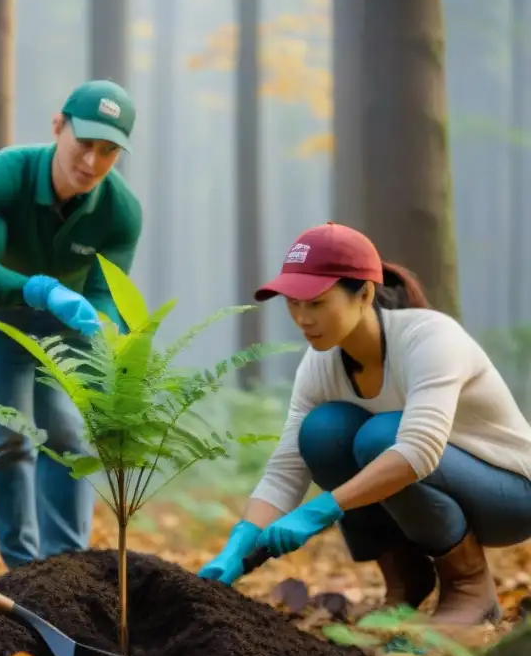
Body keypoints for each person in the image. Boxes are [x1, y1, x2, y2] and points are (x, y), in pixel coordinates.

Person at [199, 222, 531, 625]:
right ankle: (405, 580)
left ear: (365, 294)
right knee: (322, 432)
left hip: (510, 494)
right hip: (432, 497)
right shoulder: (321, 363)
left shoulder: (432, 339)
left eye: (317, 303)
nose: (302, 318)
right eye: (293, 303)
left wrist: (323, 508)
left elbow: (419, 450)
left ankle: (469, 587)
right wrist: (241, 542)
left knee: (381, 438)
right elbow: (288, 468)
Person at [0, 79, 143, 570]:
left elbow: (106, 291)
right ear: (59, 127)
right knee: (11, 433)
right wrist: (39, 289)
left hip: (66, 316)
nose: (91, 163)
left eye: (108, 152)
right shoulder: (5, 174)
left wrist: (100, 328)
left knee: (68, 433)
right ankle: (22, 570)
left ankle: (65, 570)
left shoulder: (121, 212)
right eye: (84, 144)